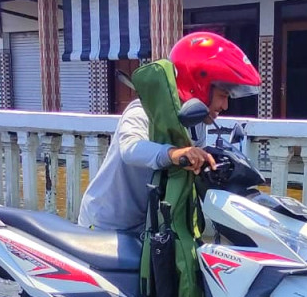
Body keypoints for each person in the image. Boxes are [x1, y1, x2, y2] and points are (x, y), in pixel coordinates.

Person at [77, 32, 262, 232]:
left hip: (147, 224)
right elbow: (130, 149)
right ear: (198, 86)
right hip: (105, 223)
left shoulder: (196, 122)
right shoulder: (142, 110)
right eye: (222, 96)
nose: (225, 106)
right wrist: (174, 153)